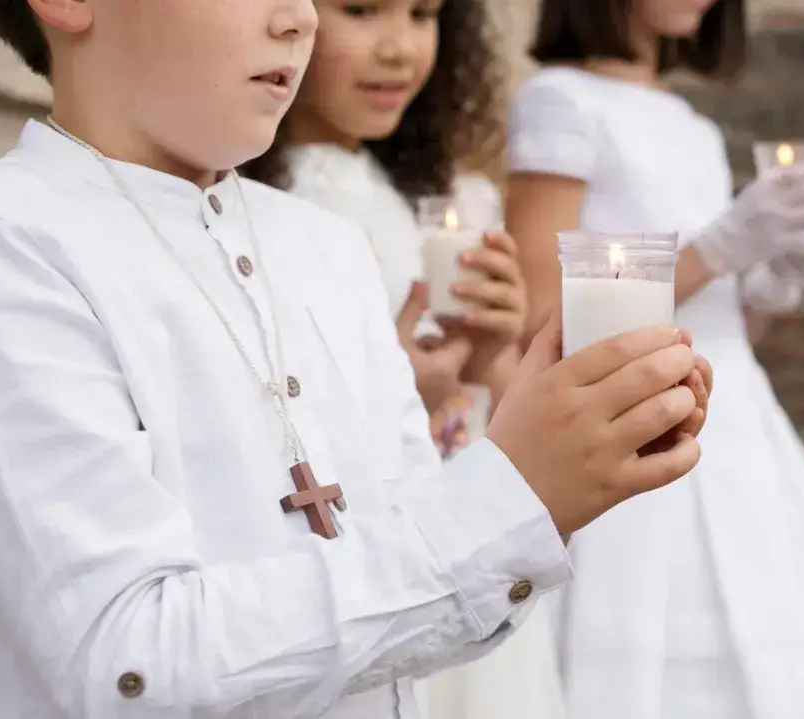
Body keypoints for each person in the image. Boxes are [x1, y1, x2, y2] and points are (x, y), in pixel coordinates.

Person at [0, 1, 711, 717]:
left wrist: (554, 469)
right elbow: (130, 660)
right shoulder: (13, 247)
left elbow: (421, 618)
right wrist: (510, 493)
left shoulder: (325, 246)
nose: (300, 19)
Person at [504, 1, 804, 717]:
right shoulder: (559, 100)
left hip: (738, 434)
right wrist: (723, 245)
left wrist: (774, 271)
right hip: (633, 431)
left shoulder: (693, 126)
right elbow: (539, 314)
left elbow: (722, 325)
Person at [240, 1, 567, 717]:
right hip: (374, 558)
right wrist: (396, 387)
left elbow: (498, 399)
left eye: (424, 14)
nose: (400, 48)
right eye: (363, 11)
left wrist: (490, 355)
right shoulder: (262, 210)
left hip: (474, 534)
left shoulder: (455, 195)